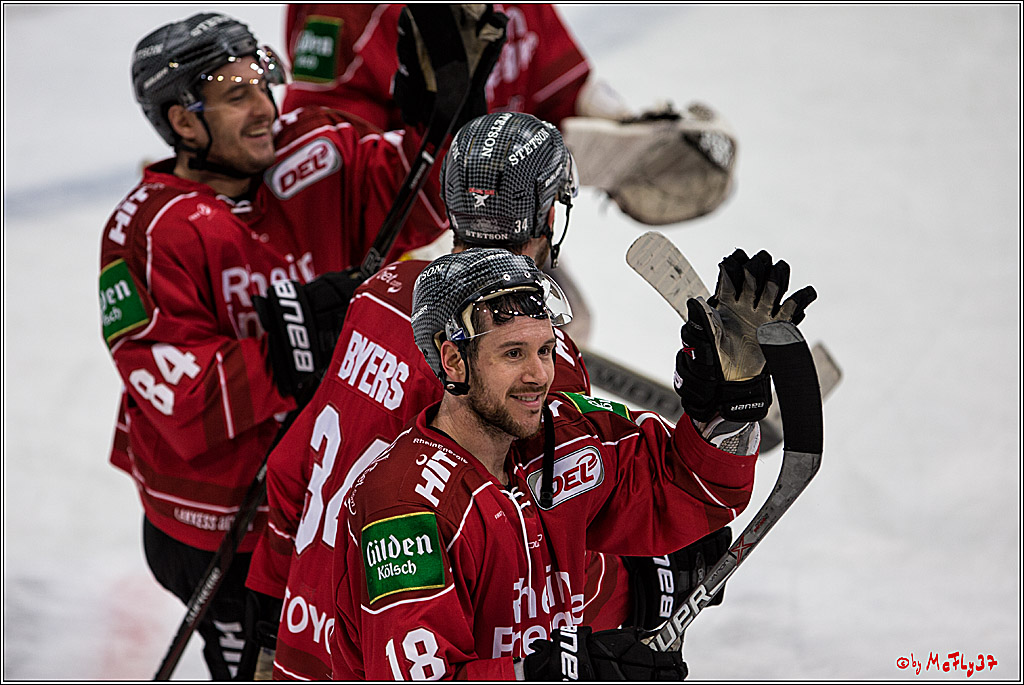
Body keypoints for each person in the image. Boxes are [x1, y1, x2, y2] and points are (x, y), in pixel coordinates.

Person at [98, 9, 506, 678]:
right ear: (183, 123)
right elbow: (178, 398)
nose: (265, 107)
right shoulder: (147, 231)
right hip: (219, 529)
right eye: (237, 95)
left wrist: (449, 114)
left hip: (317, 508)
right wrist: (290, 350)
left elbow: (425, 198)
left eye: (263, 82)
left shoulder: (314, 153)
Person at [242, 111, 627, 680]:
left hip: (310, 633)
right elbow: (540, 556)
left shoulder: (380, 293)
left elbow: (291, 466)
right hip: (413, 654)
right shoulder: (541, 363)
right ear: (549, 214)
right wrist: (637, 585)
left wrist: (272, 601)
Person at [331, 242, 815, 680]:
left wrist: (729, 405)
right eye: (513, 353)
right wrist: (553, 672)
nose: (538, 375)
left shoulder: (564, 432)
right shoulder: (404, 507)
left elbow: (691, 485)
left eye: (545, 350)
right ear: (454, 361)